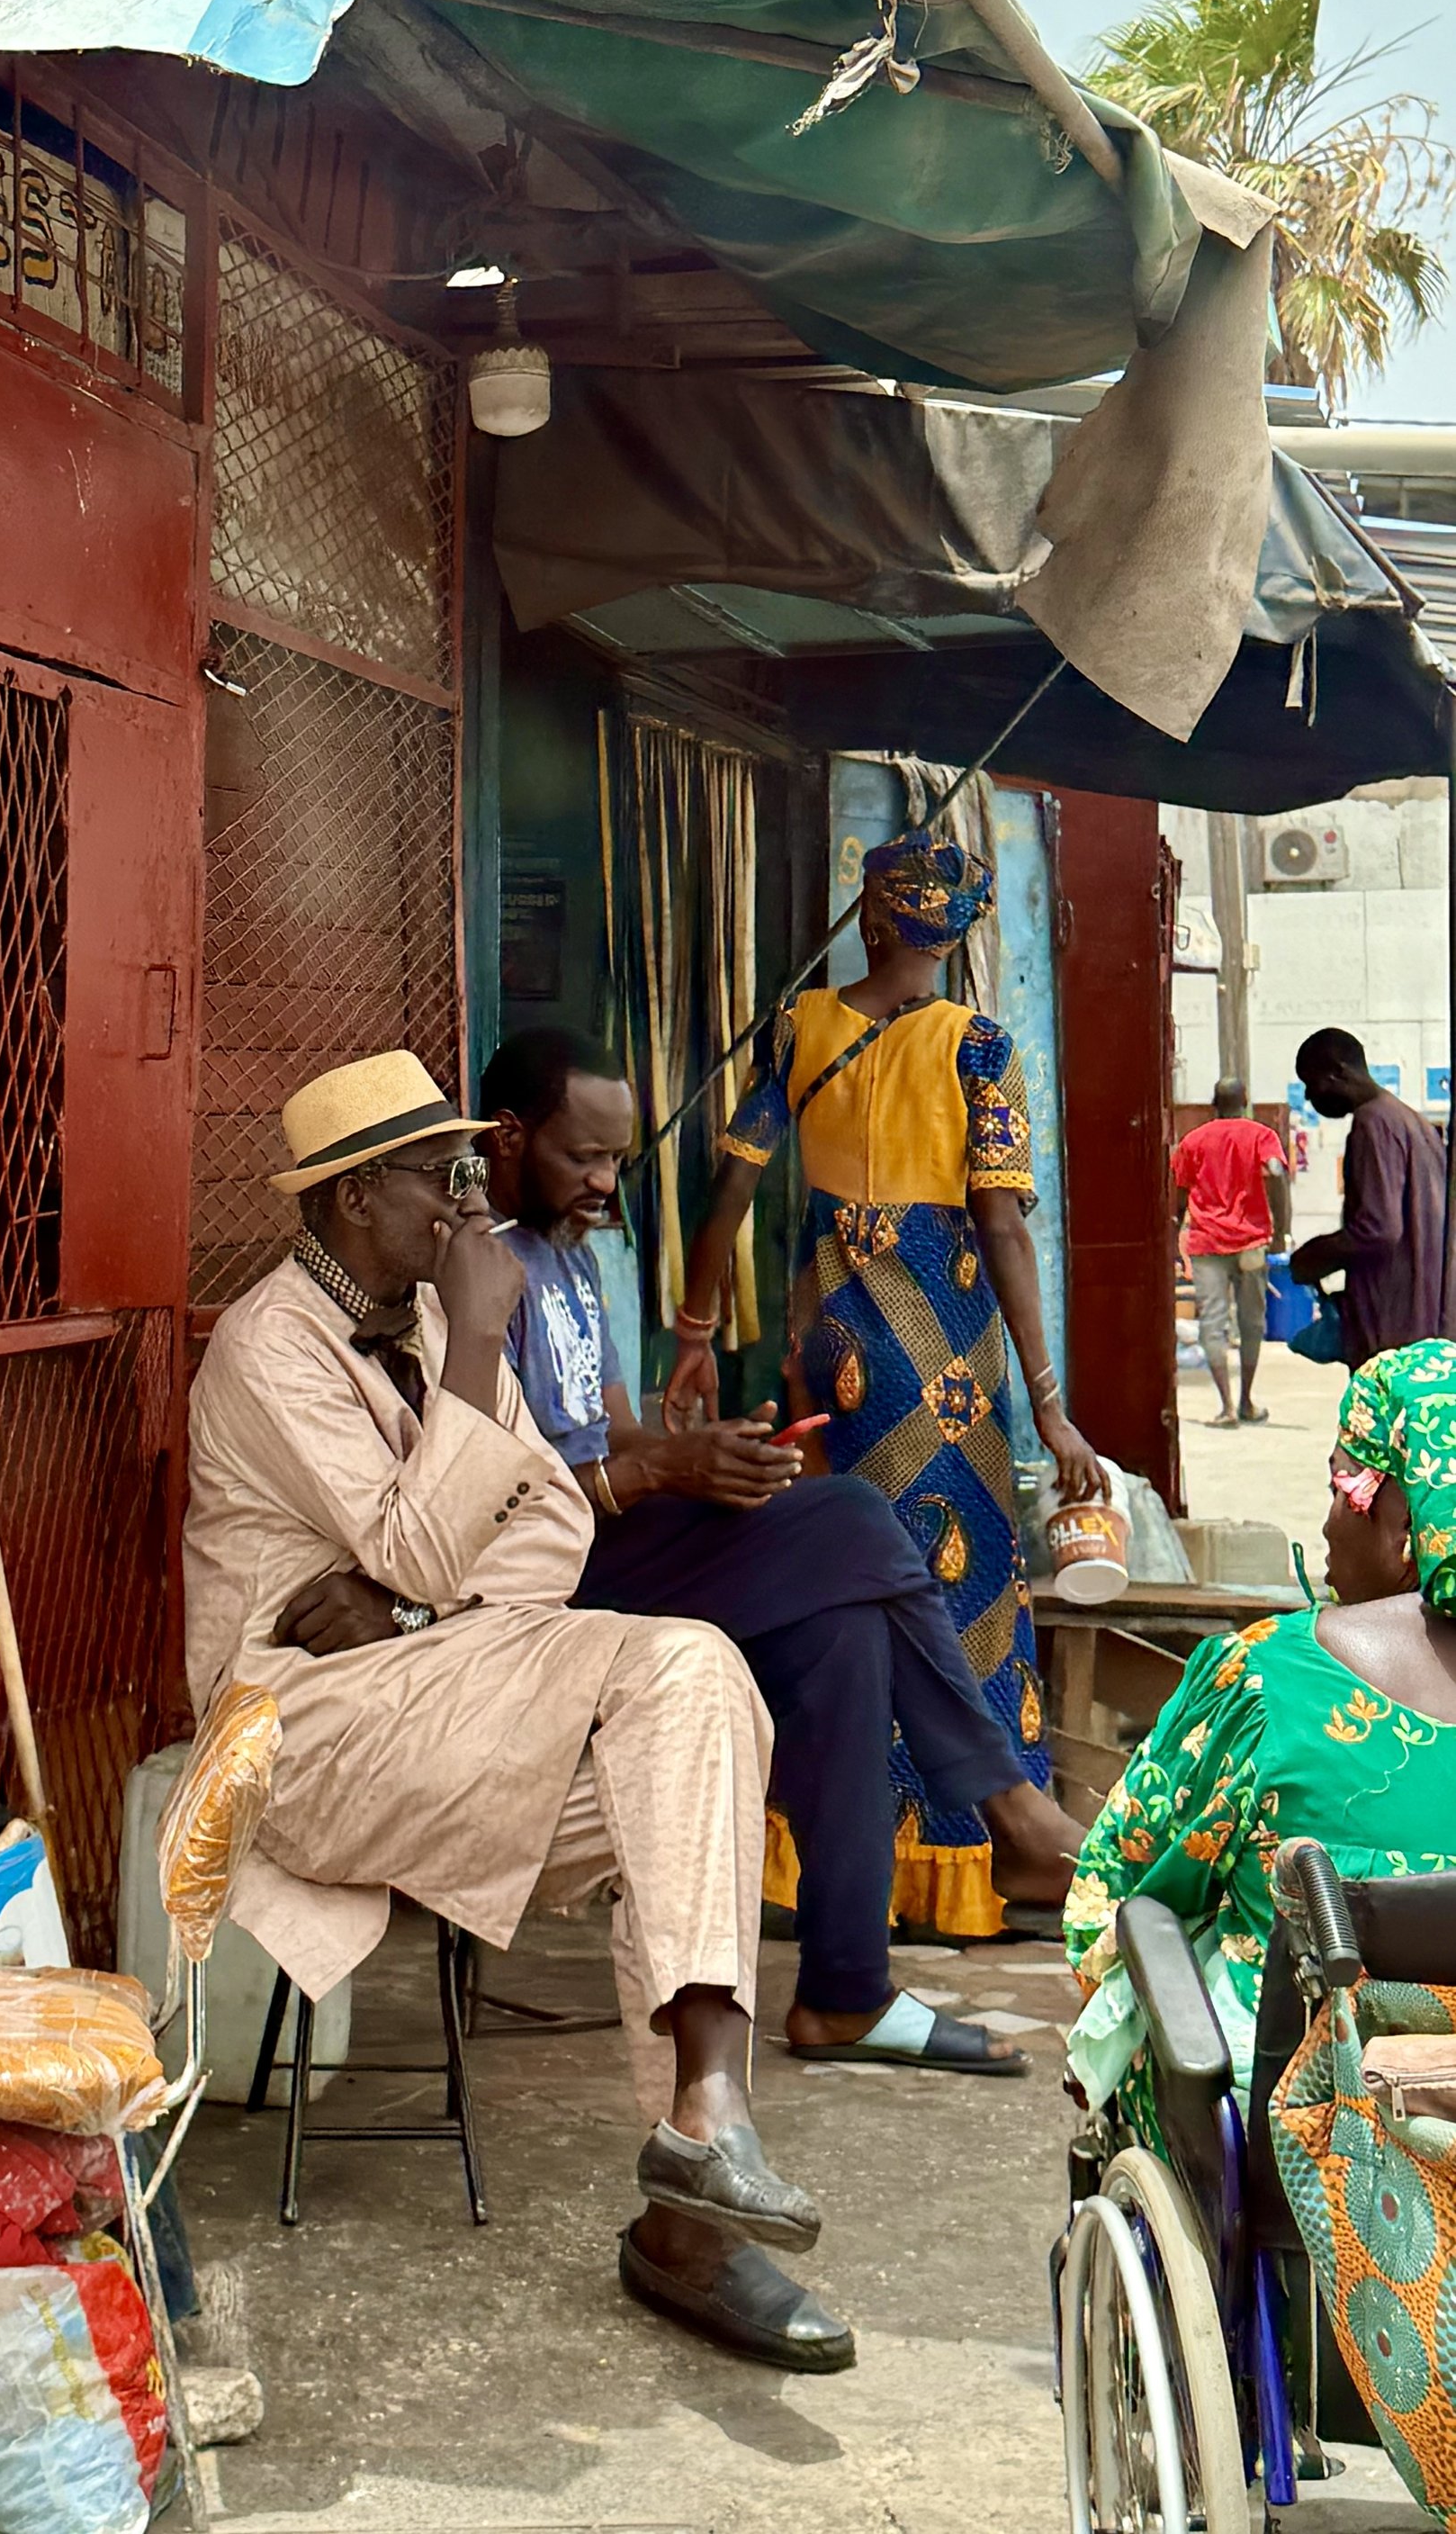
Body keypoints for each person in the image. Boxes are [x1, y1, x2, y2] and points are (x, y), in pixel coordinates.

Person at [186, 1049, 850, 2375]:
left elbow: (548, 1523)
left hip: (449, 1691)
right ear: (355, 1195)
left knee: (693, 1735)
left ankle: (691, 2191)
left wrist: (416, 1608)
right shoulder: (269, 1345)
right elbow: (437, 1545)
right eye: (441, 1176)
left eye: (467, 1170)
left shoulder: (428, 1325)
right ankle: (702, 2154)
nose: (465, 1200)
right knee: (677, 1669)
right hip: (309, 1739)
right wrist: (482, 1352)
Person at [481, 1025, 1083, 2078]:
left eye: (616, 1160)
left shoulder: (571, 1263)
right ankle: (1011, 1806)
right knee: (852, 1515)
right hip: (545, 1580)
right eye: (580, 1156)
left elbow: (613, 1432)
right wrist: (668, 1473)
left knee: (842, 1640)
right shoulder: (481, 1275)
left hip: (623, 1533)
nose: (601, 1182)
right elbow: (486, 1501)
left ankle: (845, 1995)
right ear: (506, 1138)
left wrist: (707, 1455)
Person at [669, 826, 1105, 1941]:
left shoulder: (798, 1029)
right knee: (956, 1591)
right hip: (949, 1352)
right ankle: (962, 1865)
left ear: (870, 914)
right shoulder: (979, 1047)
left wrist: (694, 1331)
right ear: (960, 935)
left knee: (835, 1582)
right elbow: (1001, 1222)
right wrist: (1048, 1399)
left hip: (833, 1345)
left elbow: (726, 1196)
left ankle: (804, 1860)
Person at [1064, 1337, 1456, 2138]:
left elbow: (1120, 1890)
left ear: (1401, 1519)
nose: (1321, 1524)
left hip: (1317, 2147)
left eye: (1339, 1486)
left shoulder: (1267, 1680)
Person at [1288, 1030, 1450, 1366]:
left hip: (1388, 1329)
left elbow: (1378, 1228)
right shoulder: (1413, 1123)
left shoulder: (1372, 1122)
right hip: (1425, 1325)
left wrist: (1313, 1256)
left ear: (1337, 1072)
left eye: (1311, 1081)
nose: (1310, 1095)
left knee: (1378, 1417)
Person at [1173, 1078, 1290, 1426]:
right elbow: (1276, 1175)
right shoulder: (1262, 1136)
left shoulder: (1193, 1141)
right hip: (1252, 1242)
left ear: (1214, 1103)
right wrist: (1281, 1230)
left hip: (1208, 1243)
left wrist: (1173, 1239)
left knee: (1213, 1324)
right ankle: (1247, 1401)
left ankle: (1225, 1406)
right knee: (1252, 1323)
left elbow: (1179, 1193)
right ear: (1246, 1101)